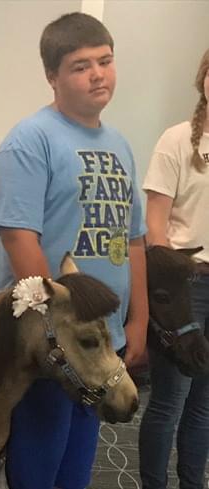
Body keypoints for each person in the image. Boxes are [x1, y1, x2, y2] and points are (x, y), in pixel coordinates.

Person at [0, 12, 148, 489]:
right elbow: (20, 237)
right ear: (53, 76)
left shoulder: (119, 143)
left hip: (101, 336)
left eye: (105, 60)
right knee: (41, 454)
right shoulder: (29, 141)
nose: (98, 74)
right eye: (80, 66)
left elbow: (132, 237)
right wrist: (57, 330)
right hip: (53, 343)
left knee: (78, 462)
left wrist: (136, 318)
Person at [138, 48, 209, 489]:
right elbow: (155, 227)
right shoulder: (177, 140)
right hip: (188, 286)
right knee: (172, 399)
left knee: (204, 403)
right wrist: (168, 293)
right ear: (203, 78)